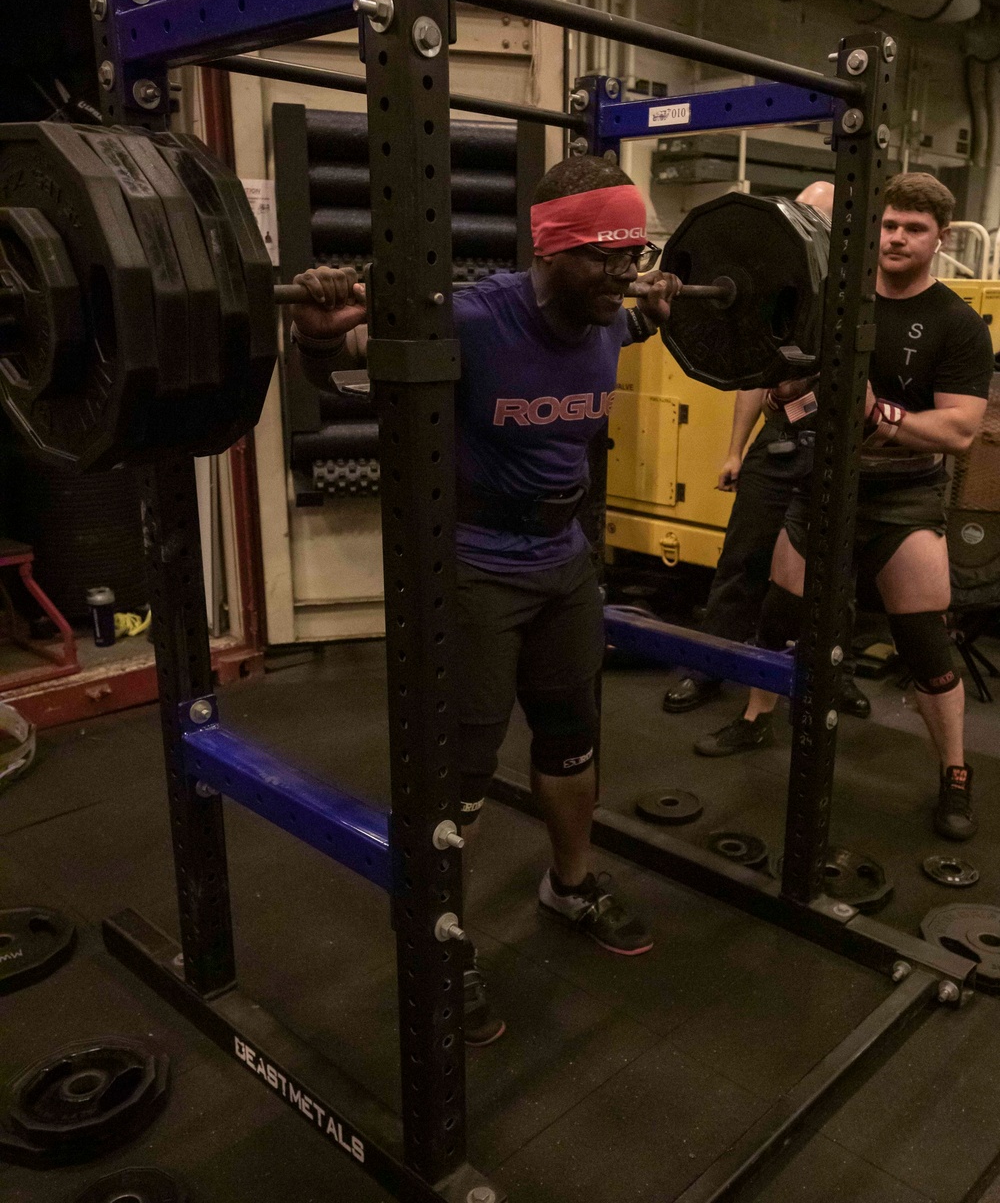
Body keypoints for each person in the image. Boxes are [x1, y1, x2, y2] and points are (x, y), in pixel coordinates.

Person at [289, 155, 681, 1044]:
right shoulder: (470, 319)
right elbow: (339, 369)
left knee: (572, 740)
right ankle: (442, 937)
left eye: (636, 254)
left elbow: (638, 326)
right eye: (608, 257)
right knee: (456, 775)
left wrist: (654, 313)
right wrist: (315, 337)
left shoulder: (612, 316)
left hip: (565, 561)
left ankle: (569, 883)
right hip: (473, 571)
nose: (626, 274)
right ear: (551, 250)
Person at [693, 172, 995, 843]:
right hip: (824, 484)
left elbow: (959, 432)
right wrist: (788, 390)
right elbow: (779, 376)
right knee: (779, 612)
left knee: (924, 644)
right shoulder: (834, 302)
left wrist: (879, 415)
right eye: (888, 225)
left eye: (912, 229)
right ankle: (754, 718)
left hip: (903, 496)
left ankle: (953, 771)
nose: (895, 238)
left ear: (940, 240)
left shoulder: (956, 322)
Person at [663, 182, 870, 721]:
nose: (806, 227)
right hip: (778, 438)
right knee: (743, 554)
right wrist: (734, 450)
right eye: (801, 215)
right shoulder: (782, 281)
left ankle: (836, 674)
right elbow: (752, 374)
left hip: (834, 442)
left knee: (832, 566)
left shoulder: (858, 293)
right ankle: (709, 665)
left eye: (817, 218)